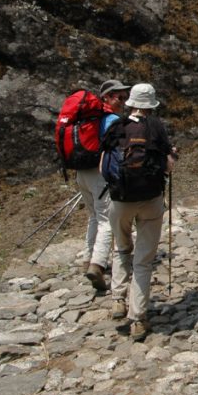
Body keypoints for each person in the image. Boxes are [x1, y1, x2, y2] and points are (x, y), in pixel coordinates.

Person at [102, 83, 175, 341]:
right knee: (143, 260)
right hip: (151, 200)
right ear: (151, 105)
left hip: (120, 199)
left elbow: (103, 164)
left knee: (122, 249)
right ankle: (137, 319)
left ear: (131, 102)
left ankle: (117, 300)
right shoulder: (156, 128)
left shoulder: (116, 127)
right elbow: (168, 167)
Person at [77, 79, 129, 291]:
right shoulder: (111, 119)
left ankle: (87, 258)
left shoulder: (86, 118)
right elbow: (117, 150)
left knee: (94, 216)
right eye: (119, 97)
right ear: (106, 97)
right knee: (106, 219)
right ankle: (97, 265)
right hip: (98, 173)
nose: (123, 101)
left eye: (125, 97)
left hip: (81, 171)